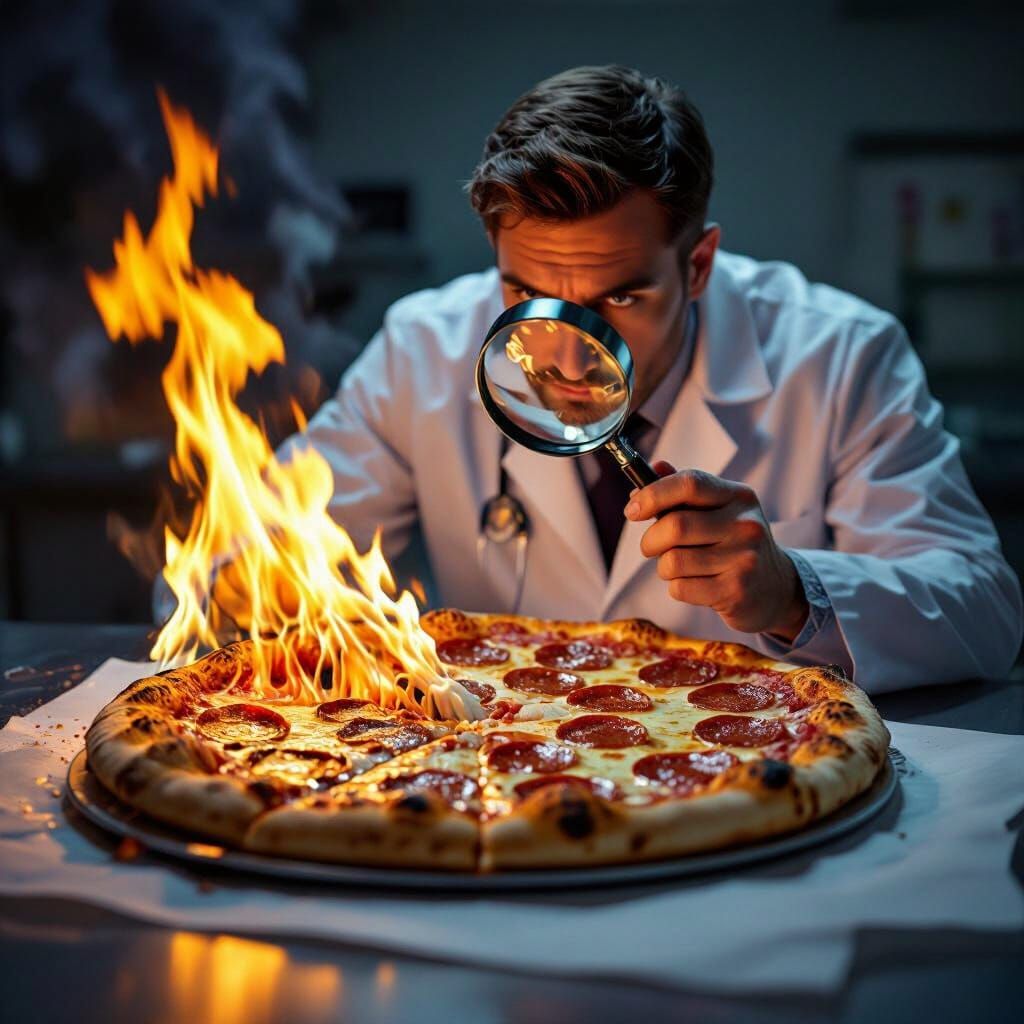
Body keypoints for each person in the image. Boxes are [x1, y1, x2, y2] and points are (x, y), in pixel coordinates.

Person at [281, 64, 1022, 693]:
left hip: (750, 766)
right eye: (527, 295)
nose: (568, 360)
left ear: (697, 266)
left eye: (620, 300)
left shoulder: (841, 356)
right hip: (499, 777)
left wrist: (793, 593)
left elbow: (986, 611)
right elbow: (264, 547)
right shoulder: (421, 349)